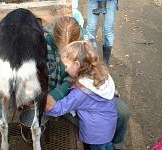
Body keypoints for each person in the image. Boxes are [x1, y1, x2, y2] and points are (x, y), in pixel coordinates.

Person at [45, 16, 130, 150]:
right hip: (66, 96)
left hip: (79, 93)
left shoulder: (87, 42)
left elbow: (84, 78)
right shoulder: (46, 42)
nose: (64, 65)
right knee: (97, 121)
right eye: (61, 49)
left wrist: (46, 105)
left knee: (122, 112)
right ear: (55, 41)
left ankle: (115, 141)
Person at [45, 40, 118, 150]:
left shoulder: (80, 93)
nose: (65, 69)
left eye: (66, 65)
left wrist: (42, 103)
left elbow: (58, 109)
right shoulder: (100, 74)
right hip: (108, 126)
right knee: (106, 147)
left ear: (76, 64)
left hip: (95, 134)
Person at [86, 0, 118, 65]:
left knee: (108, 30)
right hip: (94, 1)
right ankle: (93, 60)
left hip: (110, 1)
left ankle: (105, 63)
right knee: (90, 29)